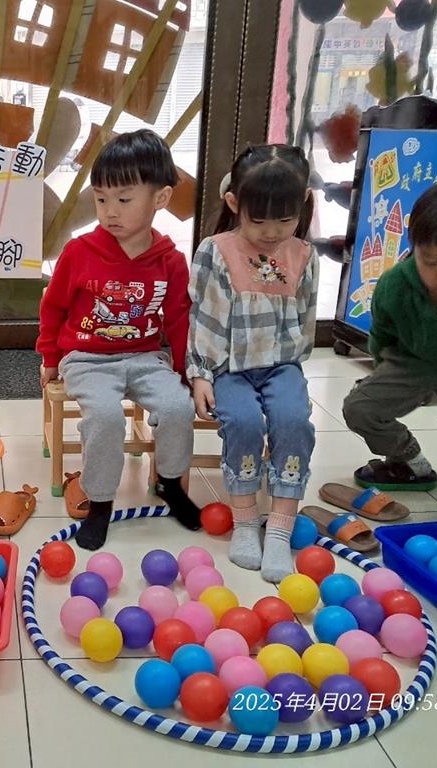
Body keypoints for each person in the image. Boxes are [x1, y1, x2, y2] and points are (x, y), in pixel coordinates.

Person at [38, 129, 199, 551]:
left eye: (124, 200)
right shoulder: (79, 252)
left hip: (145, 357)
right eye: (101, 199)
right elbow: (53, 307)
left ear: (160, 198)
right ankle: (100, 503)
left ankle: (170, 484)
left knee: (177, 407)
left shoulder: (170, 260)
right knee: (106, 417)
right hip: (86, 357)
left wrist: (184, 372)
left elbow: (178, 318)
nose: (110, 211)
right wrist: (50, 356)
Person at [187, 144, 318, 582]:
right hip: (229, 368)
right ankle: (245, 522)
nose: (271, 232)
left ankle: (279, 528)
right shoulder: (216, 250)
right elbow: (205, 317)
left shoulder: (304, 255)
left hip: (282, 366)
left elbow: (305, 318)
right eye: (258, 220)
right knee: (243, 422)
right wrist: (201, 374)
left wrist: (295, 376)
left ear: (302, 204)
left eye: (285, 219)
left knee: (293, 421)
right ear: (233, 203)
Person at [343, 177, 437, 519]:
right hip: (410, 361)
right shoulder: (395, 285)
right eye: (431, 261)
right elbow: (382, 337)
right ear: (413, 247)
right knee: (360, 407)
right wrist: (385, 373)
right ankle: (409, 461)